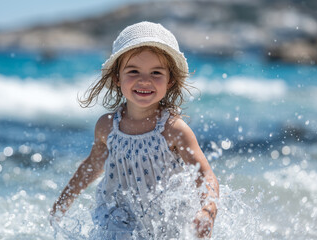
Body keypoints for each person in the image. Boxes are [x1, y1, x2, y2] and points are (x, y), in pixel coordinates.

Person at [50, 21, 219, 239]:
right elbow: (93, 164)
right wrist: (65, 199)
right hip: (118, 217)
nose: (144, 80)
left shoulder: (173, 129)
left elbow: (205, 174)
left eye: (156, 72)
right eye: (134, 71)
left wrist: (207, 210)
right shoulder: (107, 126)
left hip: (167, 221)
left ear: (170, 81)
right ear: (117, 78)